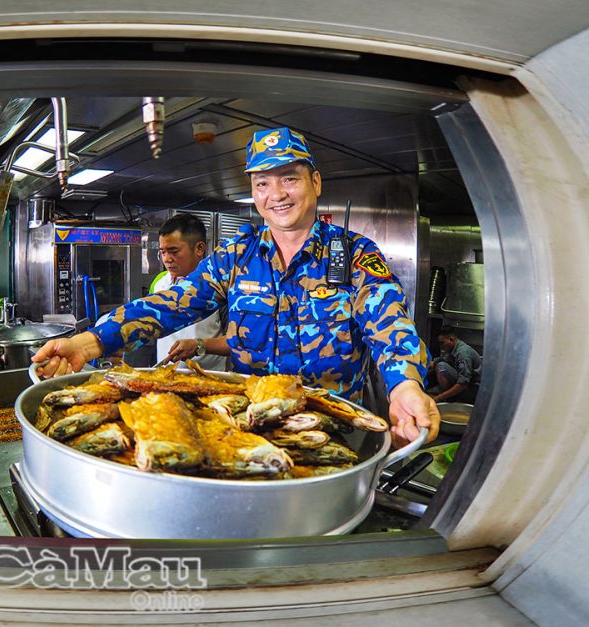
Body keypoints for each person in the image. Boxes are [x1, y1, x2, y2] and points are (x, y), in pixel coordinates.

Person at [33, 127, 439, 445]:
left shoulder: (352, 254)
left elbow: (390, 322)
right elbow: (172, 303)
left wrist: (405, 384)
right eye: (263, 183)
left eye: (289, 179)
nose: (276, 194)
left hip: (334, 426)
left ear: (315, 182)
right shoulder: (235, 257)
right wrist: (88, 343)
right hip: (251, 427)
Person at [150, 214, 228, 371]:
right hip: (165, 378)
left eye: (173, 251)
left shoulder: (221, 288)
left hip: (209, 380)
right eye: (163, 252)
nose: (167, 259)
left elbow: (237, 342)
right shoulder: (159, 283)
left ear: (199, 248)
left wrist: (199, 345)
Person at [431, 326, 482, 404]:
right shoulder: (452, 348)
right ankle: (447, 394)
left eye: (442, 343)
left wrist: (439, 397)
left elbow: (463, 383)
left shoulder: (463, 354)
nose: (441, 347)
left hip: (473, 389)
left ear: (451, 339)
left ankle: (449, 397)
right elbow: (440, 360)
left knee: (441, 366)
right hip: (466, 383)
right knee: (438, 363)